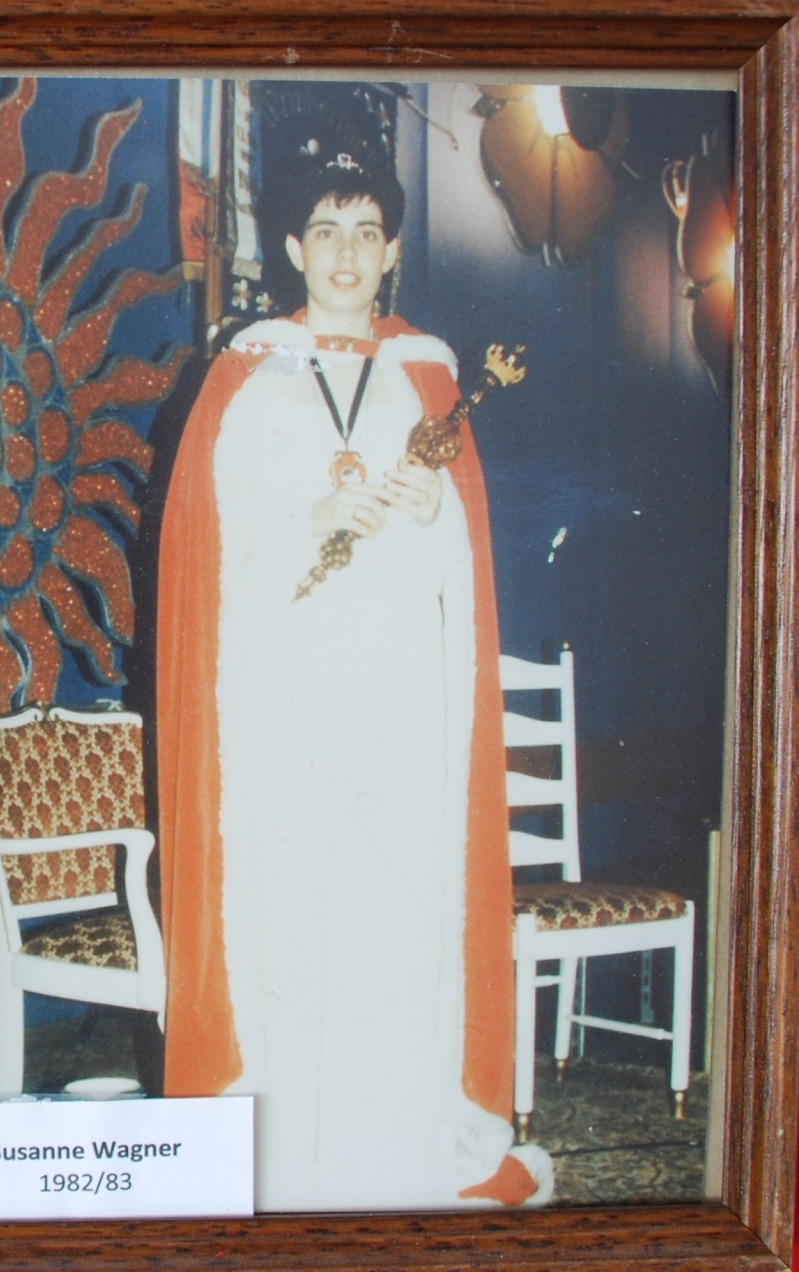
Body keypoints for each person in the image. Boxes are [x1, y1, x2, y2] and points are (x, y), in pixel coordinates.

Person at [151, 151, 552, 1210]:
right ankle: (291, 1151)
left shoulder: (427, 373)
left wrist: (426, 519)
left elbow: (457, 566)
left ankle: (388, 1145)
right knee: (291, 909)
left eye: (365, 231)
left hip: (393, 701)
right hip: (282, 702)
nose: (345, 252)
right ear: (292, 245)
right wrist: (309, 520)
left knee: (391, 911)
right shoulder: (247, 375)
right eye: (325, 229)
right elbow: (212, 548)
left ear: (391, 251)